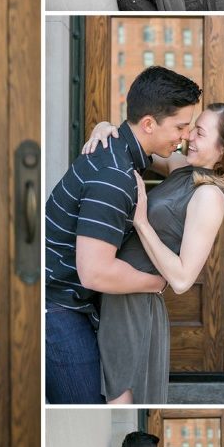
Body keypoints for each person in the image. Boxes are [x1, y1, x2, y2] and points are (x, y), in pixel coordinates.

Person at [84, 103, 224, 403]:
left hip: (135, 311)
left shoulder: (209, 196)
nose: (188, 137)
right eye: (190, 129)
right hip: (114, 292)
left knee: (117, 400)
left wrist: (142, 222)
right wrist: (105, 128)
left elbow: (182, 279)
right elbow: (137, 143)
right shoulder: (184, 169)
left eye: (199, 132)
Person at [45, 66, 201, 404]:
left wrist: (107, 125)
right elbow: (95, 271)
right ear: (148, 124)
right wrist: (157, 283)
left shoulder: (124, 150)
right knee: (87, 406)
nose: (185, 136)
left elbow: (176, 163)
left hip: (71, 303)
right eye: (180, 126)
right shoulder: (114, 177)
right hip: (58, 310)